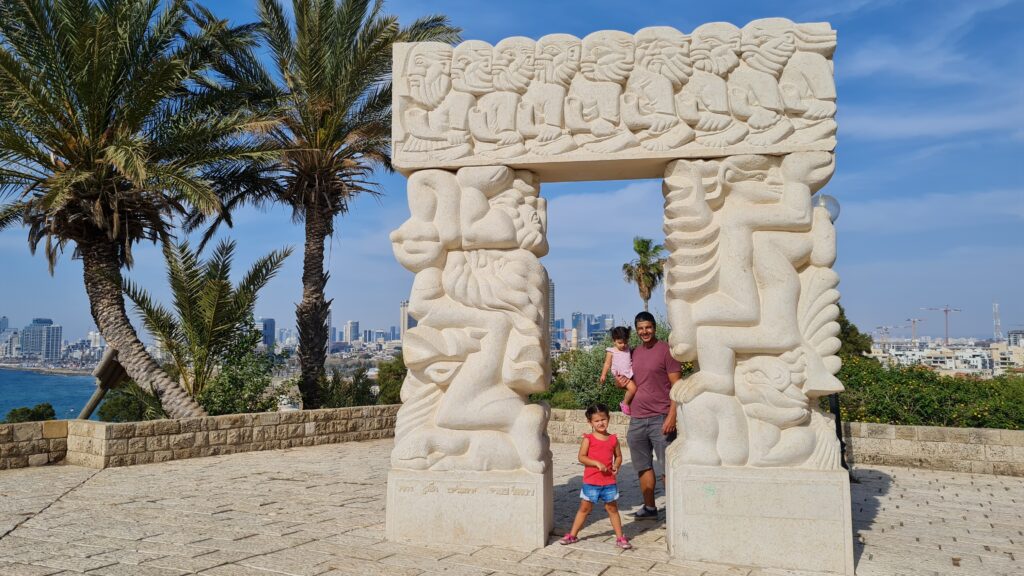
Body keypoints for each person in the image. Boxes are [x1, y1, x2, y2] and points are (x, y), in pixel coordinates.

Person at [615, 312, 681, 520]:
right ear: (636, 330)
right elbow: (627, 381)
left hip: (660, 417)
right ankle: (650, 507)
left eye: (648, 327)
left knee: (667, 467)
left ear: (654, 327)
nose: (645, 332)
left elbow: (677, 387)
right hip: (637, 418)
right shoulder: (632, 353)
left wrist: (672, 416)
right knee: (642, 466)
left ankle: (675, 510)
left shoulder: (666, 352)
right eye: (641, 328)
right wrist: (620, 383)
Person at [558, 404, 632, 549]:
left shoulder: (613, 439)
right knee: (584, 509)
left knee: (612, 509)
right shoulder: (588, 439)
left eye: (603, 419)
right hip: (591, 481)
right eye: (597, 421)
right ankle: (573, 534)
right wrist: (596, 463)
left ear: (608, 419)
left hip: (609, 482)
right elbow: (581, 457)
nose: (601, 423)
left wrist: (617, 465)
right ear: (590, 422)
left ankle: (620, 537)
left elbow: (618, 456)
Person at [599, 326, 637, 415]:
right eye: (620, 343)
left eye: (625, 342)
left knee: (634, 390)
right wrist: (603, 375)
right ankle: (625, 403)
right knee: (633, 389)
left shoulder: (628, 349)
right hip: (620, 375)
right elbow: (607, 364)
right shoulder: (611, 351)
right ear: (614, 341)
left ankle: (628, 403)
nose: (623, 345)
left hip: (629, 374)